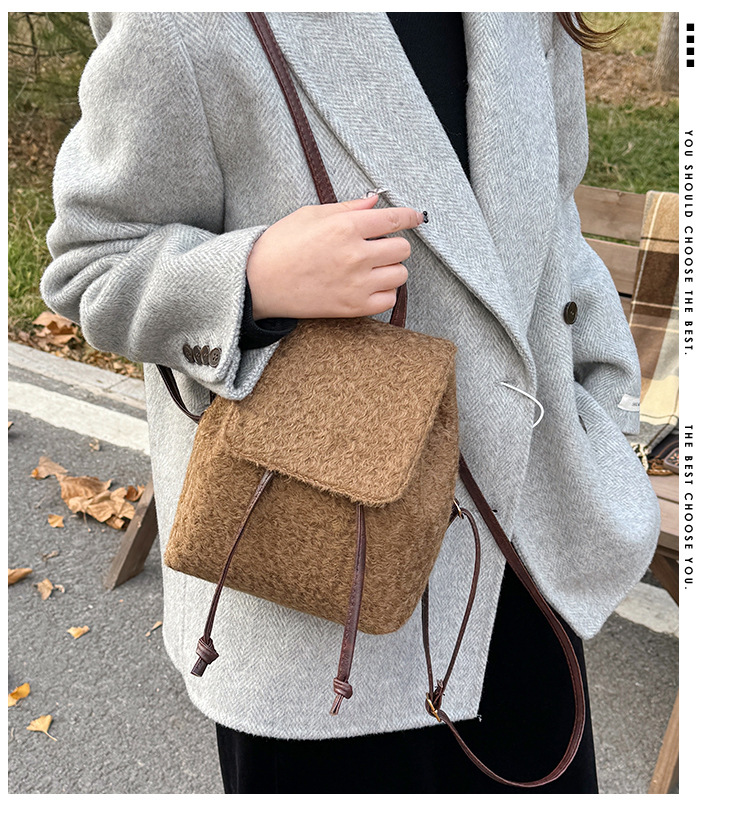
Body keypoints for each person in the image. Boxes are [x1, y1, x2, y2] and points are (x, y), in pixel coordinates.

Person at [40, 12, 661, 794]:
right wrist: (254, 277)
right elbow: (92, 262)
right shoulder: (188, 23)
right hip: (319, 602)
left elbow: (556, 213)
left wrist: (606, 410)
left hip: (528, 563)